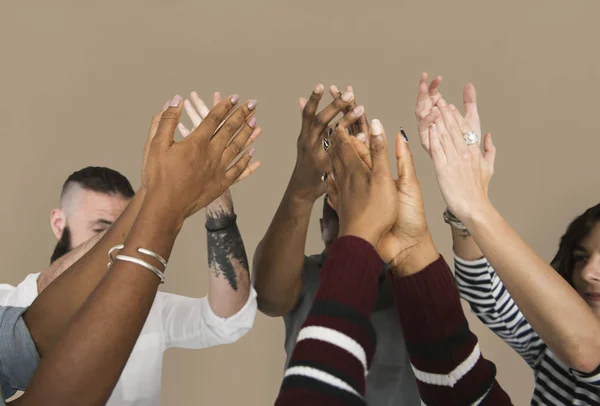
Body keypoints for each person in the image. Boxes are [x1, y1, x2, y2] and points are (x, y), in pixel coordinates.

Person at [1, 94, 261, 405]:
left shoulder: (152, 306)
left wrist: (213, 206)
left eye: (128, 223)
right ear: (59, 223)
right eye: (101, 229)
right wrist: (161, 206)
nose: (128, 234)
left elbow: (228, 321)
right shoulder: (9, 300)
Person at [275, 118, 512, 405]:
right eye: (342, 212)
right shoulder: (308, 275)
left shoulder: (396, 288)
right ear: (323, 222)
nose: (358, 217)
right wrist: (411, 248)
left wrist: (362, 238)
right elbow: (463, 391)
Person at [415, 73, 600, 405]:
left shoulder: (576, 345)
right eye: (581, 257)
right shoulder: (552, 344)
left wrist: (476, 205)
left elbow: (587, 352)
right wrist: (461, 209)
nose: (588, 273)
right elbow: (485, 293)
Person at [253, 84, 421, 405]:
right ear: (321, 228)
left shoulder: (412, 277)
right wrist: (302, 188)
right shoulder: (308, 276)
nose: (352, 219)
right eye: (338, 209)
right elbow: (268, 298)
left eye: (359, 206)